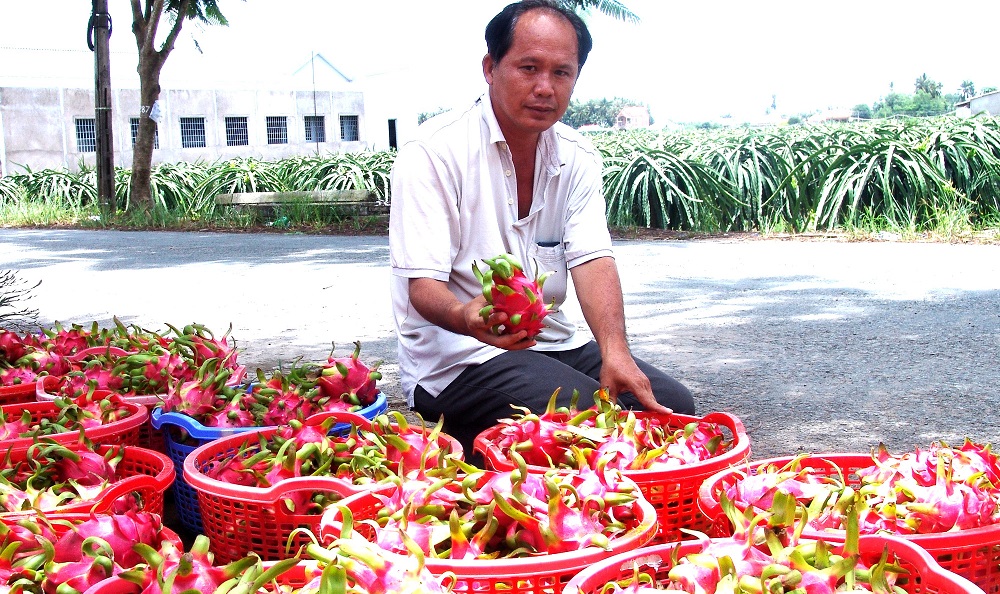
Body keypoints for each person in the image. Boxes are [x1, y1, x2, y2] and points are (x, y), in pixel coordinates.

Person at [388, 0, 694, 456]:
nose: (544, 88)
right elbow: (422, 286)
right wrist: (466, 317)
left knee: (671, 408)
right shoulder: (433, 152)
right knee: (591, 422)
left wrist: (615, 352)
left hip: (551, 342)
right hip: (458, 359)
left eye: (561, 73)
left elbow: (593, 259)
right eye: (528, 68)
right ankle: (483, 454)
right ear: (491, 68)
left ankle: (510, 452)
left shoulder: (577, 156)